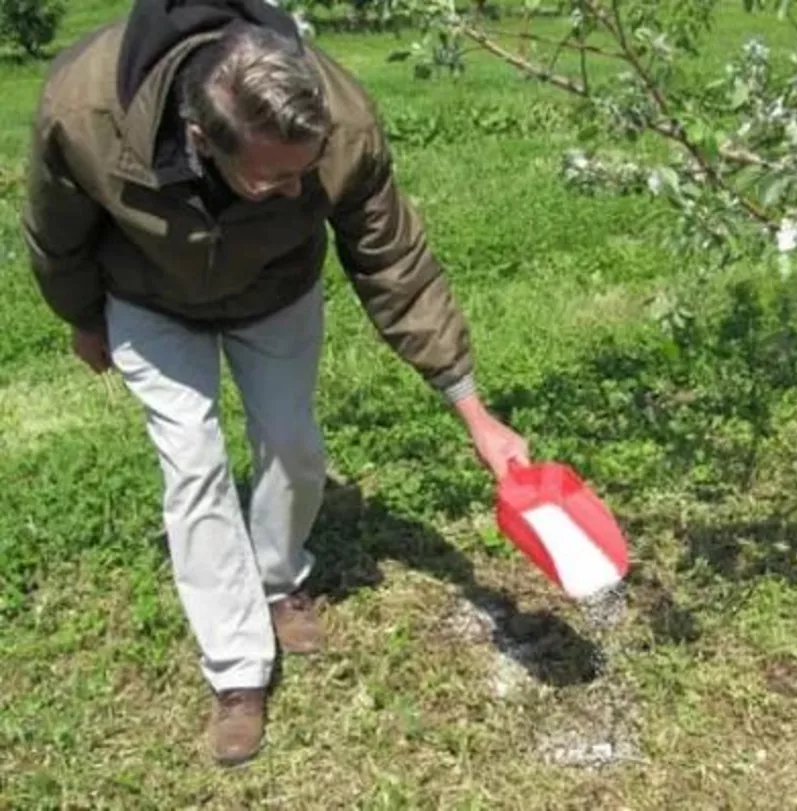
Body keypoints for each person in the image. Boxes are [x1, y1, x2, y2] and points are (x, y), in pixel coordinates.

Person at [21, 0, 529, 766]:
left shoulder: (340, 122)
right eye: (272, 179)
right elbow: (55, 233)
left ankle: (281, 577)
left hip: (276, 292)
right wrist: (83, 317)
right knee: (193, 467)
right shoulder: (83, 109)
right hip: (149, 299)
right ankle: (236, 670)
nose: (298, 192)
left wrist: (472, 407)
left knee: (292, 446)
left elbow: (393, 262)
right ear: (200, 139)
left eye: (305, 172)